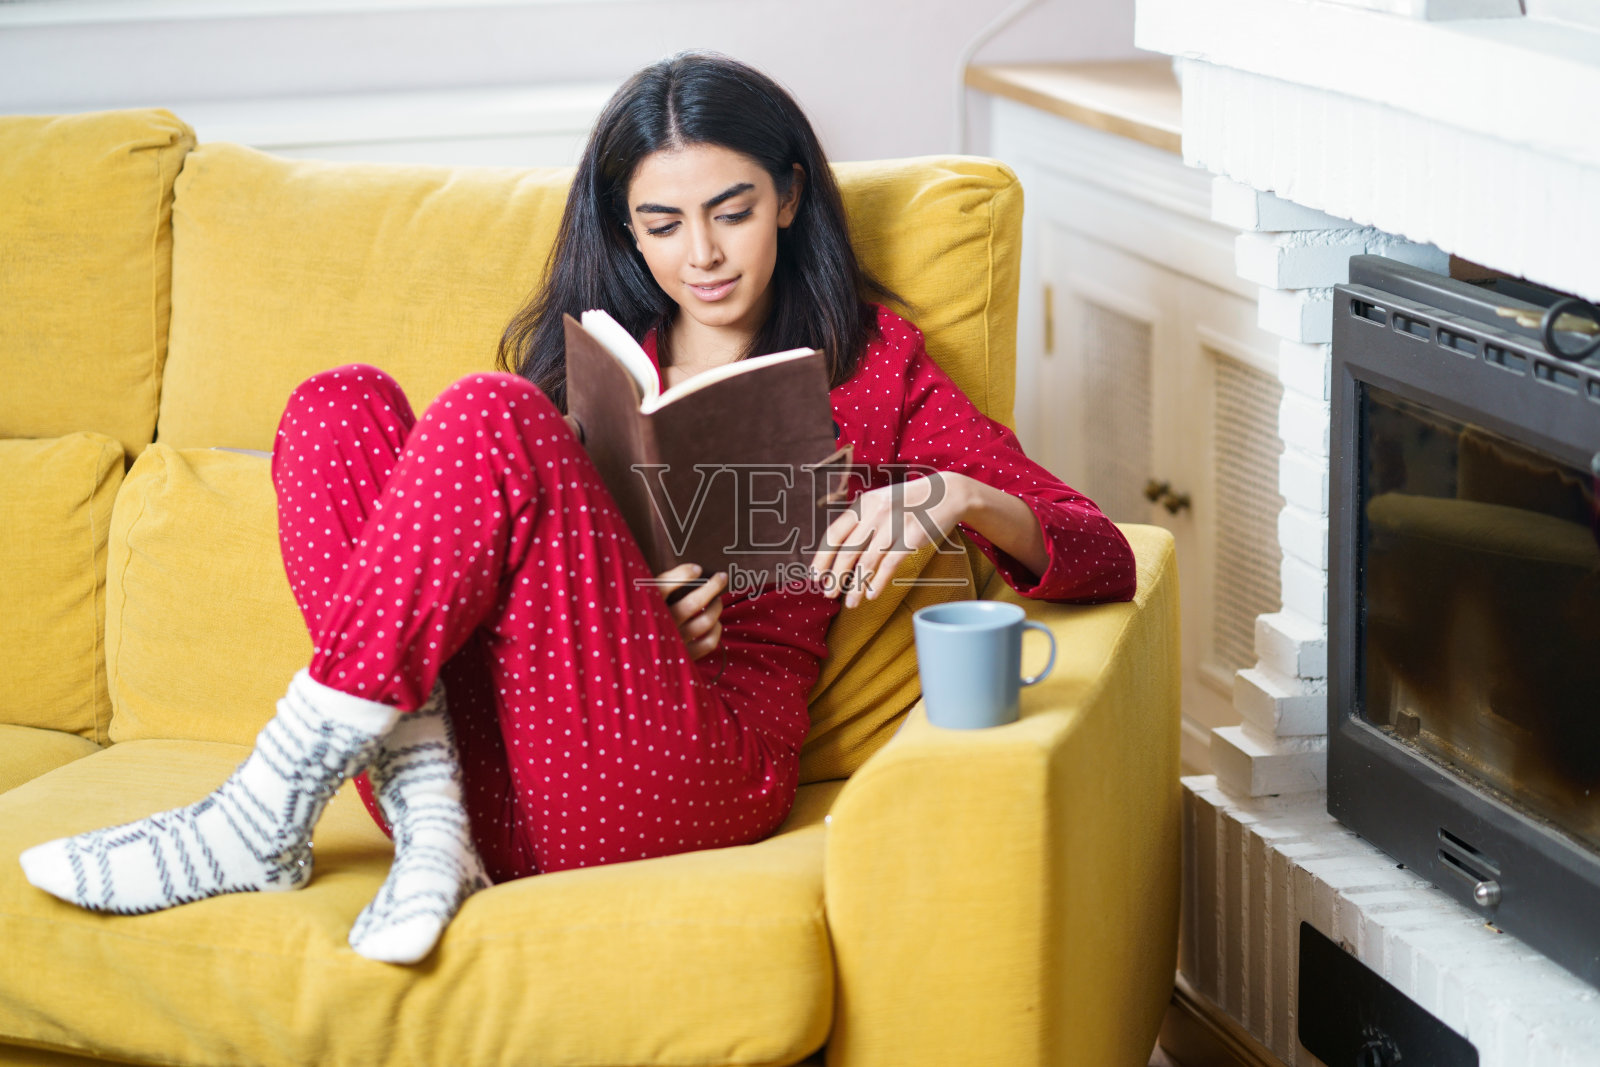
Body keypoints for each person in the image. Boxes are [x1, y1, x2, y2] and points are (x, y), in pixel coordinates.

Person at [19, 51, 1136, 965]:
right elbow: (464, 577)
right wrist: (630, 605)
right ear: (626, 229)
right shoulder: (597, 359)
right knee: (336, 406)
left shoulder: (874, 367)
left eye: (731, 210)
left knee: (490, 414)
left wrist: (948, 495)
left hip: (691, 766)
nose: (699, 254)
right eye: (660, 224)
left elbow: (1099, 552)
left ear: (789, 195)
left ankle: (261, 810)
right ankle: (430, 825)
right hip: (490, 771)